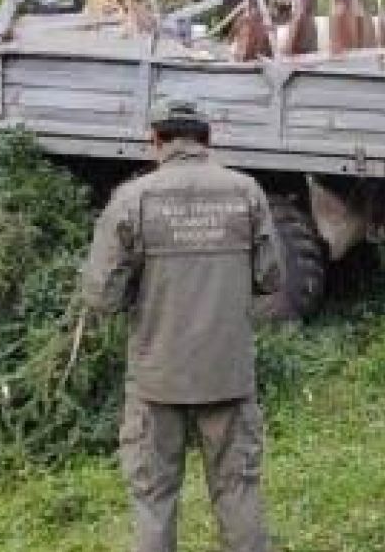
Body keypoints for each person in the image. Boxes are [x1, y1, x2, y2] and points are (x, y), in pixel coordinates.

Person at [81, 99, 282, 552]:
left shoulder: (132, 199)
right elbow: (271, 279)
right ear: (207, 141)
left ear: (156, 141)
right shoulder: (246, 192)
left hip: (157, 378)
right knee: (238, 490)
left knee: (154, 498)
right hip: (227, 372)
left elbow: (101, 297)